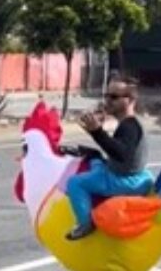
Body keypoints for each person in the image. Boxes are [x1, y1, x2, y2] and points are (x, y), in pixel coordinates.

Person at [63, 78, 153, 241]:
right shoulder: (129, 123)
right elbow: (117, 150)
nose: (108, 101)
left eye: (114, 97)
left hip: (124, 180)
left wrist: (97, 132)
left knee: (75, 183)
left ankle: (85, 224)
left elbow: (122, 154)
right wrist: (96, 139)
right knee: (94, 160)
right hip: (129, 174)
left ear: (130, 99)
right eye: (106, 96)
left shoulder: (129, 126)